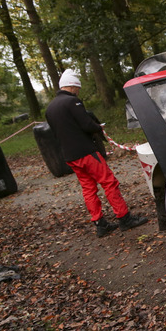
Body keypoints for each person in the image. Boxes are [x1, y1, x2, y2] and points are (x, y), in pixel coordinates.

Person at [45, 69, 148, 237]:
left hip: (70, 156)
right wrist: (98, 127)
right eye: (77, 88)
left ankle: (100, 224)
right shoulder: (72, 102)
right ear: (72, 86)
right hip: (86, 152)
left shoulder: (50, 108)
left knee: (88, 189)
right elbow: (86, 124)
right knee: (109, 182)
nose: (78, 92)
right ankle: (124, 218)